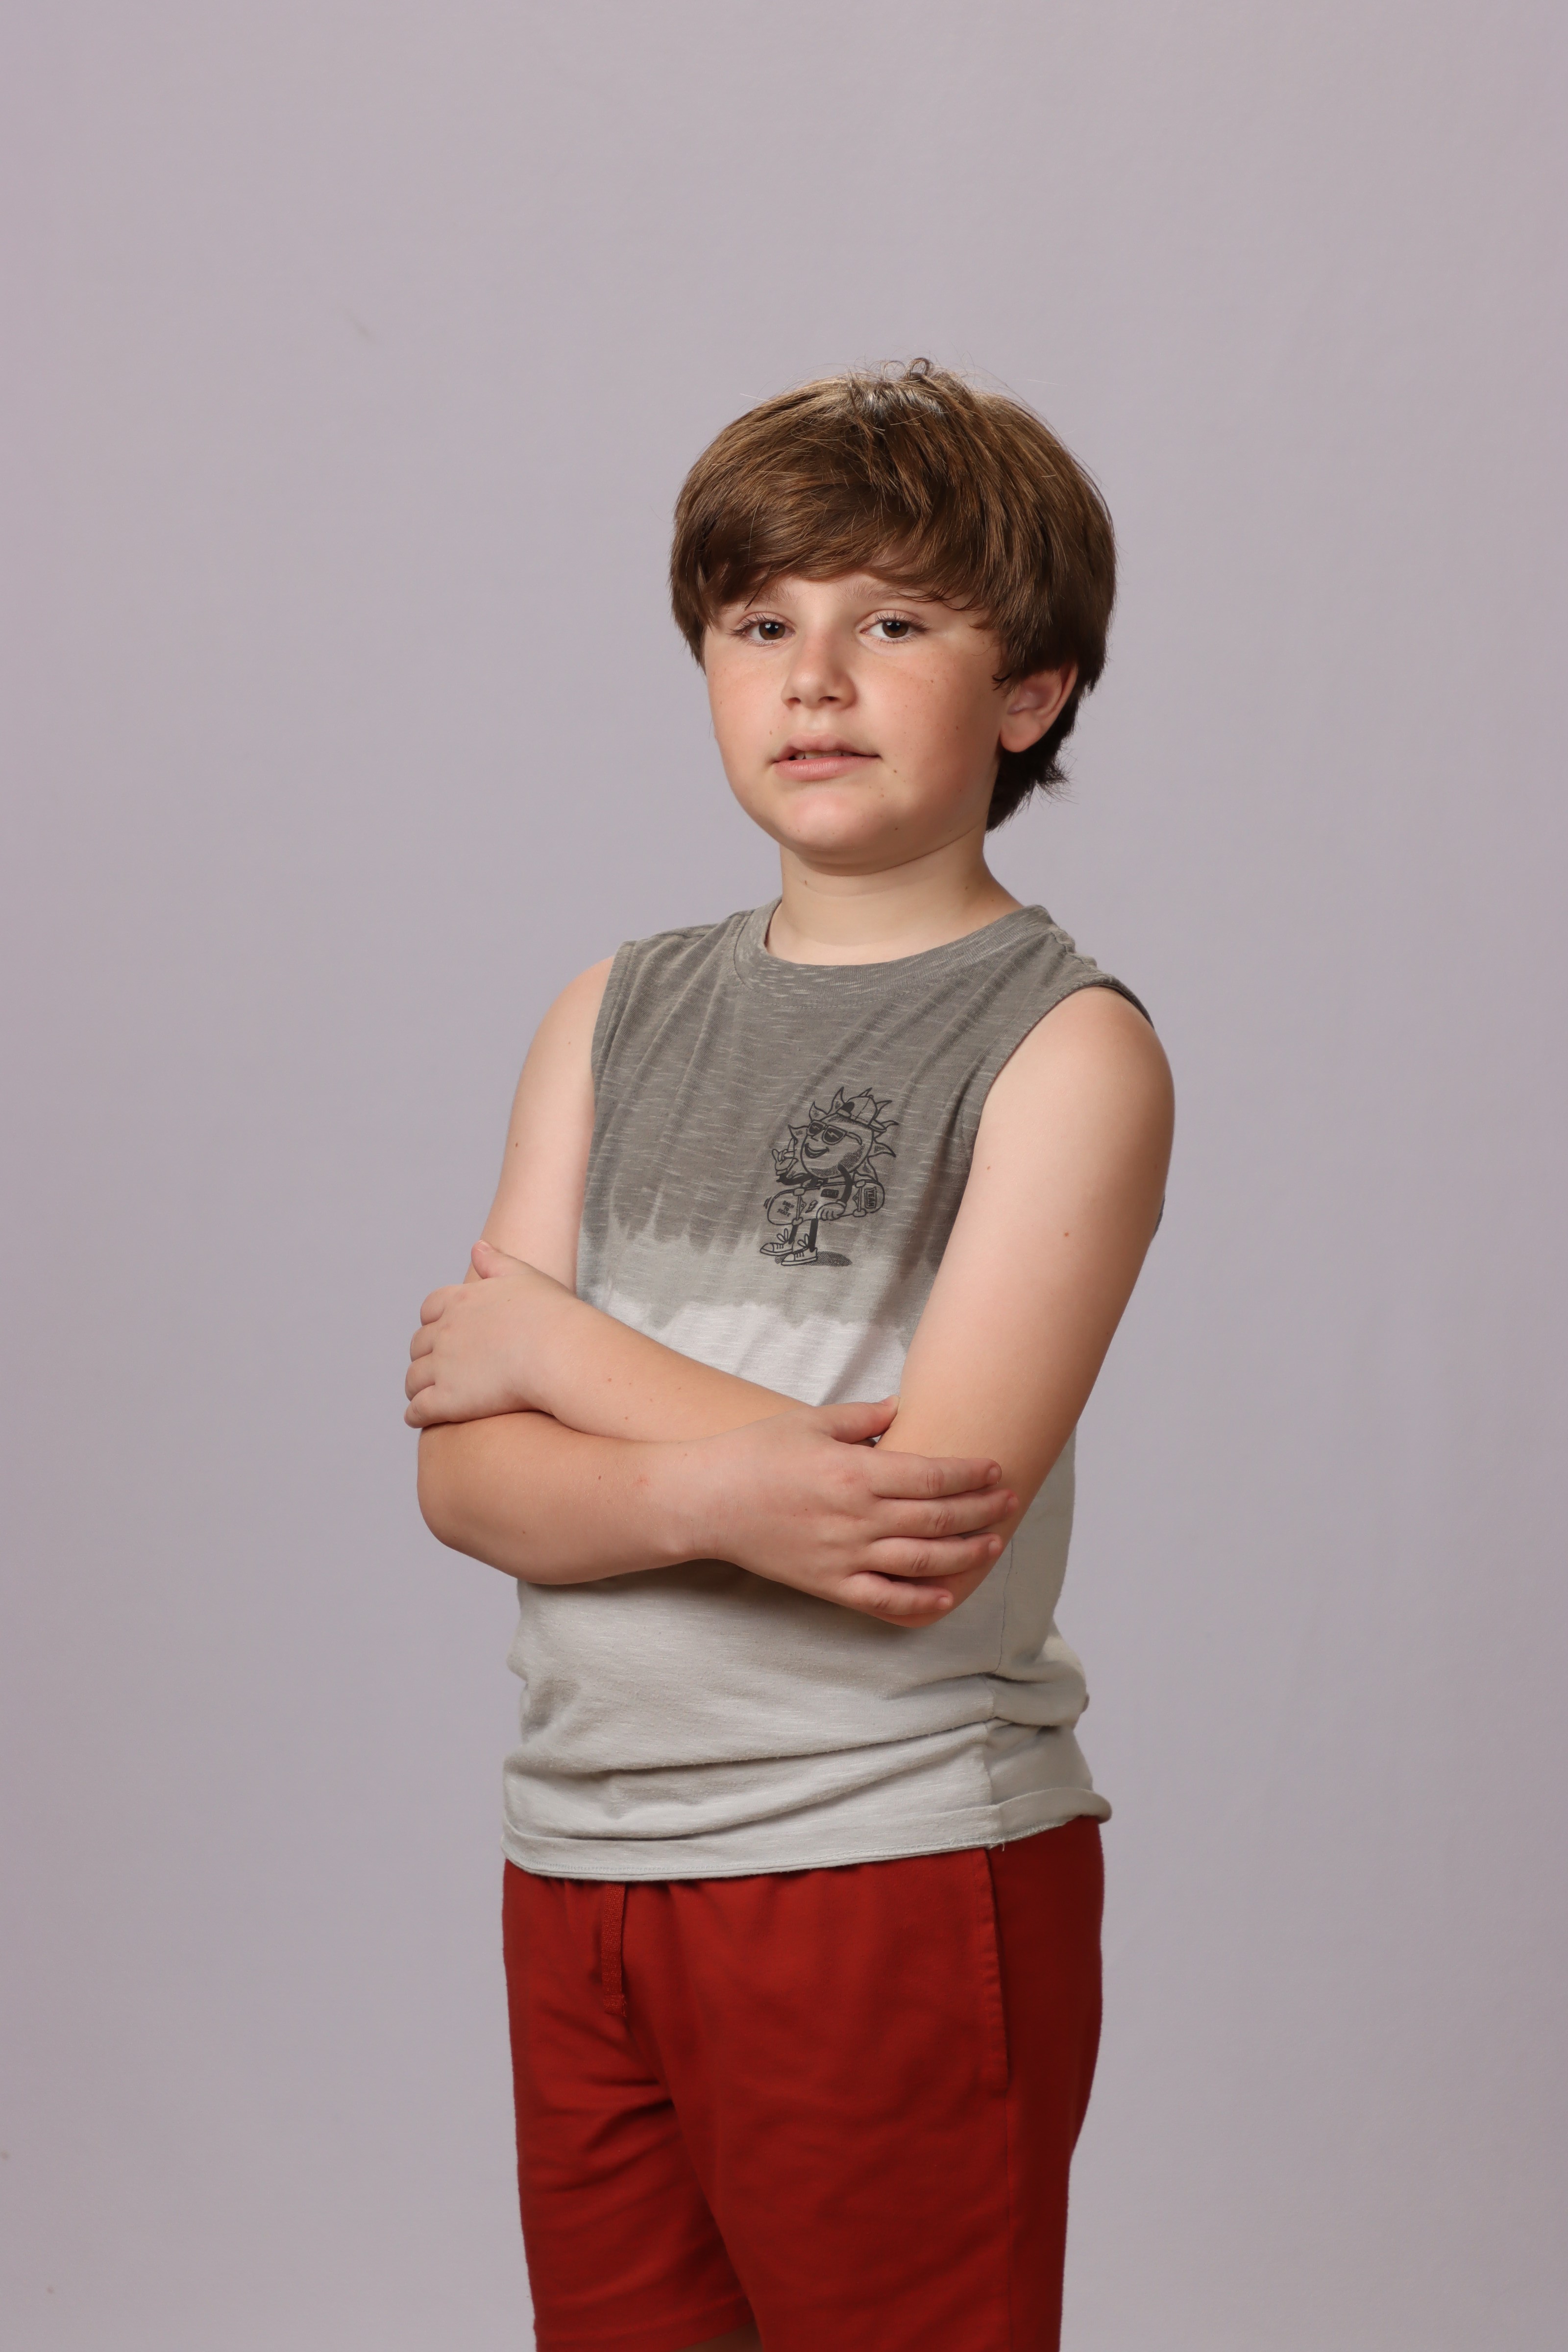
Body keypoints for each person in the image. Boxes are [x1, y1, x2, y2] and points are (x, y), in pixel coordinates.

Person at [406, 360, 1174, 2352]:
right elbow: (461, 1474)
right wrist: (729, 1488)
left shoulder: (1064, 1046)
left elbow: (916, 1524)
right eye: (761, 624)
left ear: (1030, 692)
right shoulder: (612, 1008)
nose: (813, 679)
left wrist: (558, 1349)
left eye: (893, 623)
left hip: (882, 1863)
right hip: (581, 1859)